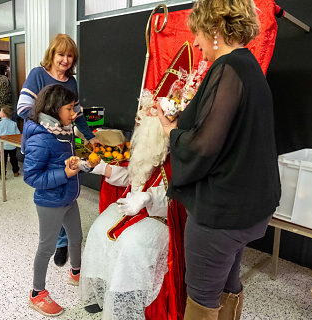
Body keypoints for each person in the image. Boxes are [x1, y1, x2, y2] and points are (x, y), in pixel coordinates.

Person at [155, 1, 281, 319]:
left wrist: (170, 131)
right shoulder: (249, 67)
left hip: (222, 213)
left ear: (213, 30)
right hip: (249, 209)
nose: (195, 43)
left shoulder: (226, 68)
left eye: (196, 34)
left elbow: (204, 146)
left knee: (201, 299)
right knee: (228, 283)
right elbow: (226, 132)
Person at [80, 106, 187, 320]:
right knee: (99, 229)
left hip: (162, 217)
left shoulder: (179, 155)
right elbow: (129, 178)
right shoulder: (146, 151)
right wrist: (98, 167)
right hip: (133, 208)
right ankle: (102, 292)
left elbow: (178, 197)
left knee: (131, 244)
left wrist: (148, 198)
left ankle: (128, 304)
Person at [17, 33, 100, 267]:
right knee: (52, 192)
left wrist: (90, 136)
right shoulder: (37, 75)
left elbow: (78, 112)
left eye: (70, 56)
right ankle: (57, 241)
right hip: (44, 143)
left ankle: (63, 242)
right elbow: (23, 108)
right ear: (52, 54)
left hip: (66, 144)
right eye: (61, 54)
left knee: (67, 191)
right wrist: (54, 123)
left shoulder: (71, 81)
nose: (65, 60)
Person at [23, 84, 96, 317]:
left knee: (76, 237)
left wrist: (83, 166)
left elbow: (68, 164)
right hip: (50, 202)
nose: (74, 114)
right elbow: (32, 176)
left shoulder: (64, 131)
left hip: (68, 197)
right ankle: (37, 294)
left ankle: (76, 272)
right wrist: (65, 174)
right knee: (46, 248)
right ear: (54, 110)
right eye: (69, 108)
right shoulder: (41, 138)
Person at [0, 105, 20, 177]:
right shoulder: (14, 124)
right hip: (12, 146)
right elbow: (18, 134)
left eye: (0, 111)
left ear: (3, 114)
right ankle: (16, 172)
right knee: (13, 159)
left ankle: (2, 174)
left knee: (3, 161)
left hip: (3, 146)